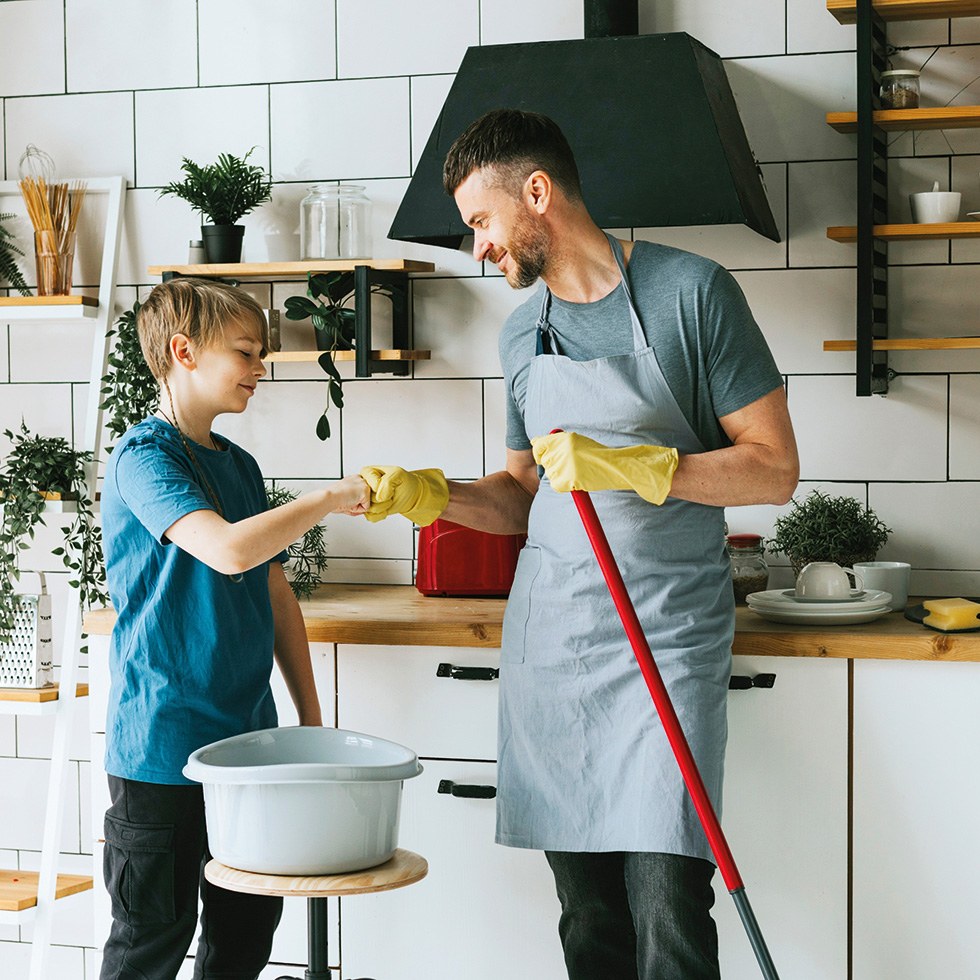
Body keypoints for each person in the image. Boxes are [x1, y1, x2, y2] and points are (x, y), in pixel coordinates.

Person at [360, 108, 799, 980]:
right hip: (557, 644)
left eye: (481, 222)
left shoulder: (693, 294)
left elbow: (774, 469)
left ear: (537, 193)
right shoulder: (522, 334)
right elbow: (522, 493)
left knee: (668, 898)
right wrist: (434, 496)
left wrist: (646, 467)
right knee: (587, 911)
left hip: (666, 638)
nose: (477, 248)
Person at [98, 277, 369, 980]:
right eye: (246, 352)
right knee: (151, 939)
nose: (260, 368)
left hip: (250, 745)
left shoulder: (239, 465)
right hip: (161, 746)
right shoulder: (144, 459)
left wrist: (310, 720)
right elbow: (228, 549)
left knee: (245, 935)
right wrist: (331, 497)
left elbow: (273, 589)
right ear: (183, 352)